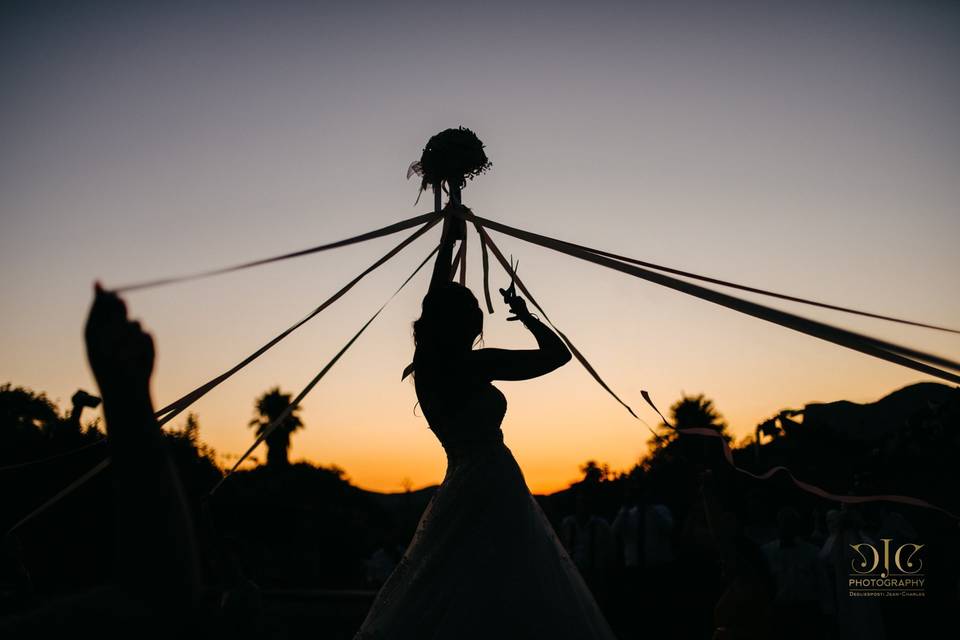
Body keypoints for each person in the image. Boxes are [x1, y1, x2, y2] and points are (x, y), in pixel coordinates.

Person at [353, 220, 617, 639]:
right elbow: (557, 355)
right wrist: (526, 315)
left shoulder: (426, 367)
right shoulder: (477, 364)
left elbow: (433, 295)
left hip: (461, 481)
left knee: (454, 582)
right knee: (508, 581)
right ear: (464, 322)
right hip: (493, 482)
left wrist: (449, 239)